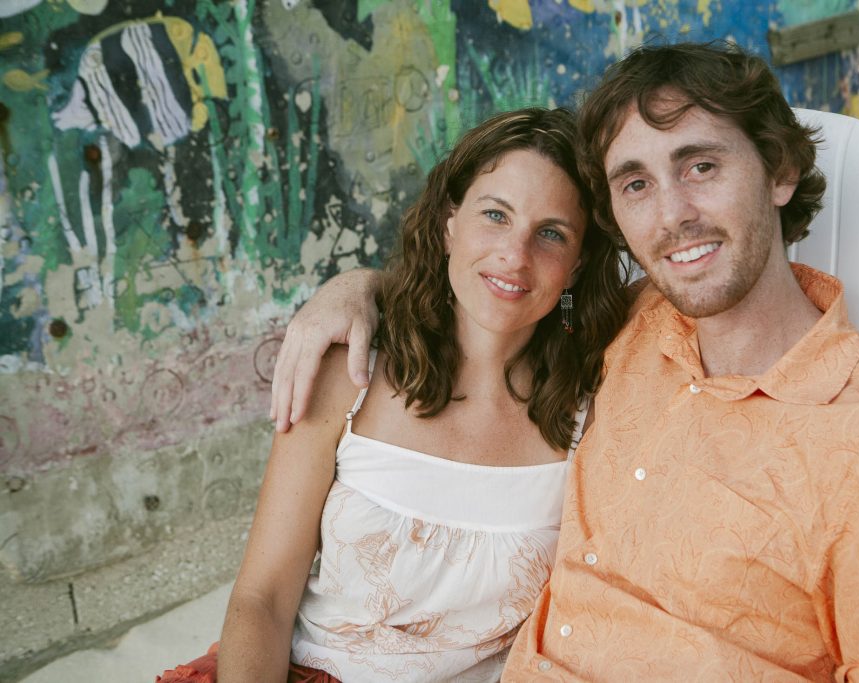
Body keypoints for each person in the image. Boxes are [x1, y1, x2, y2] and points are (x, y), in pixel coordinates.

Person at [271, 41, 859, 682]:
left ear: (781, 170)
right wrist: (360, 289)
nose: (672, 214)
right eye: (636, 184)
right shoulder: (634, 327)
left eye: (700, 165)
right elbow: (500, 294)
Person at [157, 108, 628, 682]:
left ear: (578, 265)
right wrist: (357, 283)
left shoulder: (595, 412)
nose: (515, 253)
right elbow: (263, 600)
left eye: (551, 232)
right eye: (494, 215)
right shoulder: (349, 372)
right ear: (450, 223)